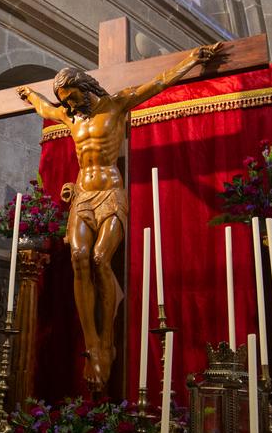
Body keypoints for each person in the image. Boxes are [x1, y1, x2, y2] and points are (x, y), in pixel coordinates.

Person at [17, 43, 223, 391]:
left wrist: (189, 61)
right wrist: (29, 95)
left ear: (85, 87)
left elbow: (158, 83)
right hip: (83, 195)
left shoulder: (117, 104)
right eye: (65, 100)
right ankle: (93, 342)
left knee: (100, 259)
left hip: (111, 193)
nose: (69, 105)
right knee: (79, 257)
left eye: (72, 97)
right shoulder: (69, 116)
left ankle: (107, 341)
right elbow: (45, 109)